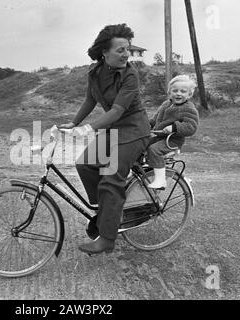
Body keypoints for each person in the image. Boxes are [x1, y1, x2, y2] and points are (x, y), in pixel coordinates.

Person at [59, 23, 151, 254]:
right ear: (105, 52)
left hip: (133, 130)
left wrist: (88, 129)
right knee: (85, 163)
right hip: (112, 129)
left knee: (111, 178)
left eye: (127, 49)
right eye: (121, 50)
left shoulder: (130, 75)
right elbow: (90, 100)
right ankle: (108, 209)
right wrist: (74, 123)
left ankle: (107, 239)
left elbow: (117, 111)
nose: (126, 54)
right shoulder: (95, 72)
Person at [147, 75, 199, 189]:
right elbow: (155, 119)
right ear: (169, 92)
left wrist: (174, 127)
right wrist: (146, 125)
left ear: (189, 94)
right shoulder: (166, 104)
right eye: (175, 90)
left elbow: (191, 126)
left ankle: (160, 180)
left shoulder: (188, 108)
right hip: (158, 137)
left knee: (154, 150)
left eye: (183, 91)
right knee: (139, 143)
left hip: (172, 141)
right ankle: (138, 171)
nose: (178, 93)